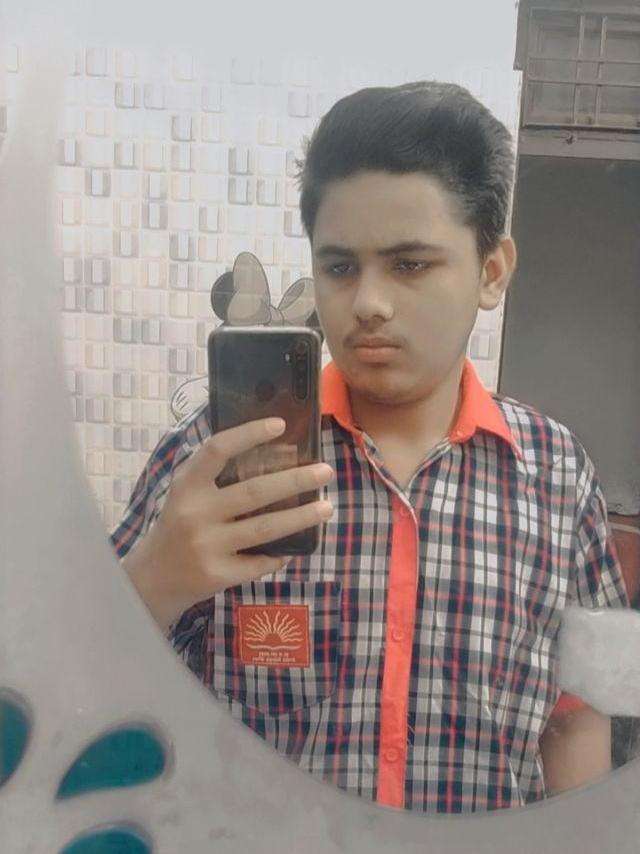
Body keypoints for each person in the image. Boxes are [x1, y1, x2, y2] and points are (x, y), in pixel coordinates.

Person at [111, 81, 629, 813]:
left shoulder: (558, 475)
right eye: (339, 267)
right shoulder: (211, 458)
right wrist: (156, 580)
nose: (367, 304)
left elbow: (579, 711)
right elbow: (91, 685)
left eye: (409, 264)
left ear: (491, 272)